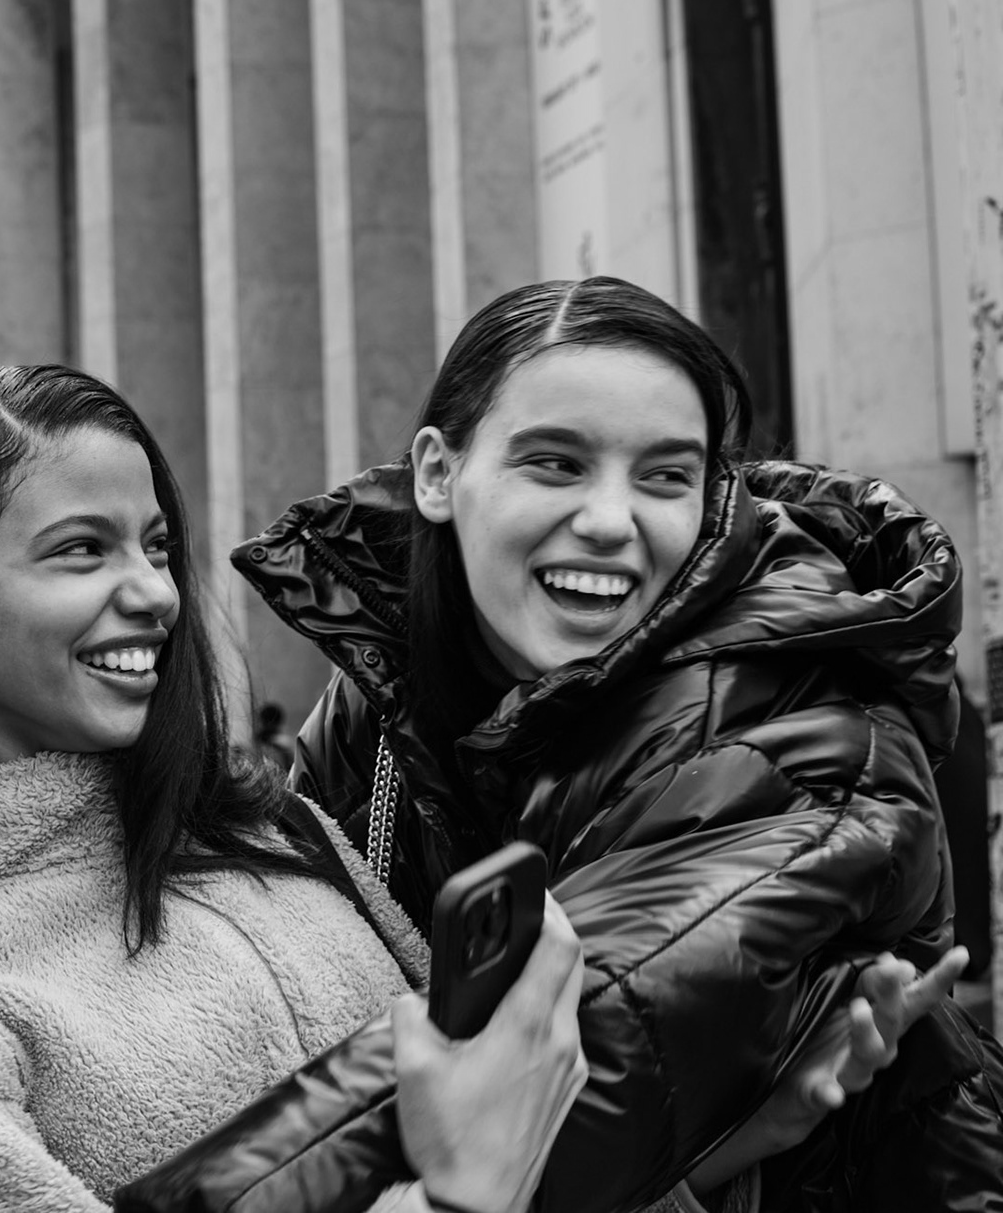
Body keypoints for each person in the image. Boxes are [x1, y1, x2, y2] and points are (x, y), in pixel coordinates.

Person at [0, 364, 916, 1213]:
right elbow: (470, 1175)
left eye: (156, 545)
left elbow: (508, 1140)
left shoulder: (280, 830)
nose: (153, 594)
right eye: (80, 550)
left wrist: (736, 1138)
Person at [124, 276, 997, 1212]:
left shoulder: (803, 731)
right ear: (436, 474)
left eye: (667, 476)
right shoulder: (379, 704)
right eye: (556, 464)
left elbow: (533, 1069)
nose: (612, 522)